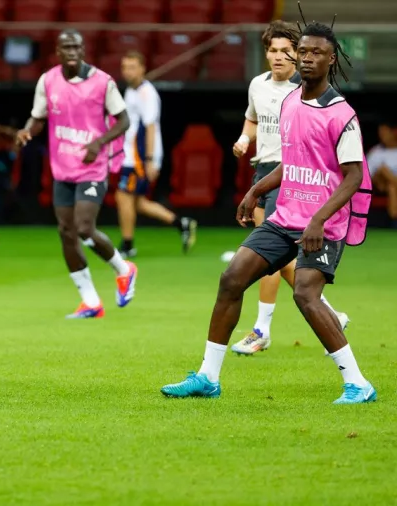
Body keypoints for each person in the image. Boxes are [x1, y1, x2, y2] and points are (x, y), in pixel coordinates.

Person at [161, 19, 377, 404]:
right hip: (284, 217)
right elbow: (290, 159)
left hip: (322, 223)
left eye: (317, 53)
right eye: (304, 51)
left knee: (306, 296)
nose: (308, 58)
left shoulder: (342, 115)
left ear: (332, 59)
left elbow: (353, 177)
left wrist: (319, 220)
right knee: (231, 279)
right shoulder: (290, 100)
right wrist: (256, 190)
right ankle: (208, 377)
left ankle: (358, 383)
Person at [229, 21, 349, 356]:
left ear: (298, 54)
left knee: (264, 256)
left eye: (286, 51)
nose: (278, 57)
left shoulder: (305, 91)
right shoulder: (258, 85)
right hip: (263, 171)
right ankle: (330, 313)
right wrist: (243, 139)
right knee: (276, 260)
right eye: (272, 50)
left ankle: (260, 330)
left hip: (290, 177)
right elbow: (253, 120)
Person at [17, 29, 137, 319]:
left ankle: (124, 269)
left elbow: (123, 120)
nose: (71, 52)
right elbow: (39, 117)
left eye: (76, 47)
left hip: (92, 167)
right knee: (66, 232)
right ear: (57, 52)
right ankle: (91, 301)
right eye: (66, 47)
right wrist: (27, 131)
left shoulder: (102, 82)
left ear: (83, 50)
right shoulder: (48, 81)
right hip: (63, 168)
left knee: (83, 227)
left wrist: (98, 143)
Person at [116, 51, 197, 259]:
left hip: (139, 156)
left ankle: (127, 245)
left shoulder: (146, 93)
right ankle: (182, 224)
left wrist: (150, 159)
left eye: (133, 67)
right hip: (130, 154)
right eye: (125, 67)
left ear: (143, 68)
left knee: (123, 196)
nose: (128, 71)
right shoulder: (131, 91)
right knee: (138, 203)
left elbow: (150, 127)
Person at [367, 120, 397, 227]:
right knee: (383, 175)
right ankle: (394, 223)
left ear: (394, 132)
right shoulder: (376, 152)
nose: (382, 135)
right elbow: (367, 178)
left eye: (385, 132)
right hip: (380, 187)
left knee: (391, 186)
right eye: (380, 132)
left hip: (391, 187)